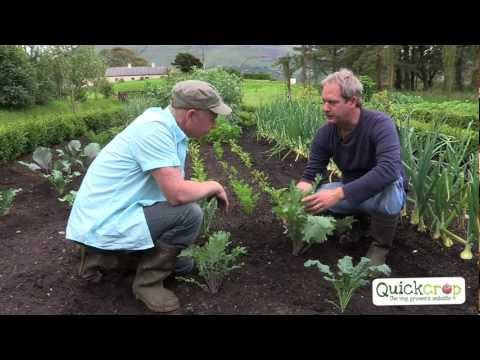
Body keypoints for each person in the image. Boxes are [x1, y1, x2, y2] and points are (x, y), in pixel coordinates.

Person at [66, 80, 231, 313]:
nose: (215, 124)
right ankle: (147, 282)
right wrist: (213, 185)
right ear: (192, 115)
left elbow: (171, 187)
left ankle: (113, 258)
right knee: (189, 214)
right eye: (213, 117)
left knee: (182, 205)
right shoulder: (154, 130)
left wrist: (200, 187)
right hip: (102, 222)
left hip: (114, 211)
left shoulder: (165, 126)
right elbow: (177, 194)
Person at [296, 69, 407, 266]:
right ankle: (357, 224)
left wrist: (338, 194)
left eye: (332, 102)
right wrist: (299, 197)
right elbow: (312, 173)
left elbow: (389, 169)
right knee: (318, 193)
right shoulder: (326, 133)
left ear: (353, 101)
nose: (325, 108)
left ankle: (380, 246)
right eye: (324, 101)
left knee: (390, 189)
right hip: (351, 190)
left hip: (382, 192)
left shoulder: (380, 124)